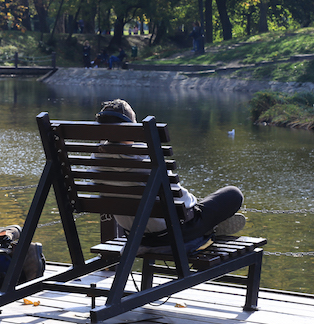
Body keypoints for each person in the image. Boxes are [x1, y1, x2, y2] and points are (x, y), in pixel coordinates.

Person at [95, 99, 245, 252]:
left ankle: (210, 226)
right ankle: (210, 228)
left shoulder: (95, 162)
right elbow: (181, 200)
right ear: (132, 129)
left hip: (135, 236)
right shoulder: (146, 157)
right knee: (233, 194)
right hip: (173, 235)